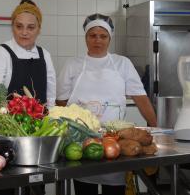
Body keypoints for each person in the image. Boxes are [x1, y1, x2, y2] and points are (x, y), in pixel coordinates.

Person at [56, 13, 157, 195]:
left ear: (110, 38)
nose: (97, 40)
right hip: (81, 142)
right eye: (92, 35)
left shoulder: (122, 64)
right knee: (84, 188)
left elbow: (140, 97)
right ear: (85, 37)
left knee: (114, 188)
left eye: (103, 36)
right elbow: (61, 103)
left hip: (116, 141)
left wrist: (155, 126)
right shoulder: (73, 65)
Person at [0, 0, 56, 108]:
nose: (24, 32)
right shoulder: (2, 52)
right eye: (19, 26)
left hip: (41, 122)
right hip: (10, 121)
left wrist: (51, 116)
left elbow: (51, 96)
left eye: (31, 27)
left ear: (39, 29)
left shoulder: (45, 55)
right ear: (12, 27)